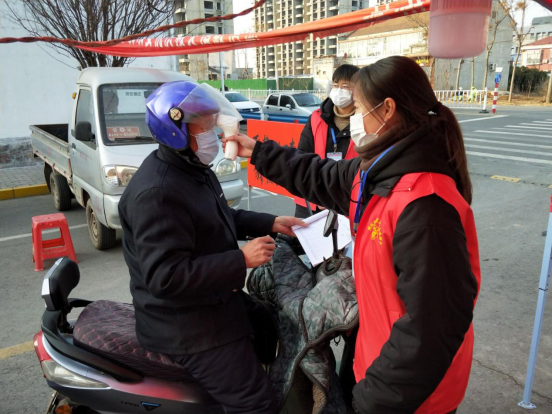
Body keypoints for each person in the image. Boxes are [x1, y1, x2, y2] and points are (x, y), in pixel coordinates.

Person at [223, 56, 481, 414]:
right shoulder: (379, 171)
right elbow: (319, 175)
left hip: (409, 396)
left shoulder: (425, 207)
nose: (354, 117)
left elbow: (431, 330)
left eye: (358, 107)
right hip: (377, 361)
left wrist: (372, 400)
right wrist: (259, 152)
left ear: (387, 109)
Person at [118, 81, 306, 414]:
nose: (214, 133)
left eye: (212, 122)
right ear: (174, 130)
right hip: (185, 325)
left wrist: (271, 222)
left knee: (268, 324)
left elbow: (217, 217)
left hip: (211, 300)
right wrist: (241, 259)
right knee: (257, 405)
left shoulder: (191, 168)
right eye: (204, 125)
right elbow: (165, 277)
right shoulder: (158, 193)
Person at [294, 64, 360, 218]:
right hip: (311, 200)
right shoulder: (316, 118)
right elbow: (303, 156)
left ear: (358, 89)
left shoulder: (365, 121)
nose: (338, 90)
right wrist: (317, 192)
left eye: (345, 86)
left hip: (347, 202)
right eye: (335, 85)